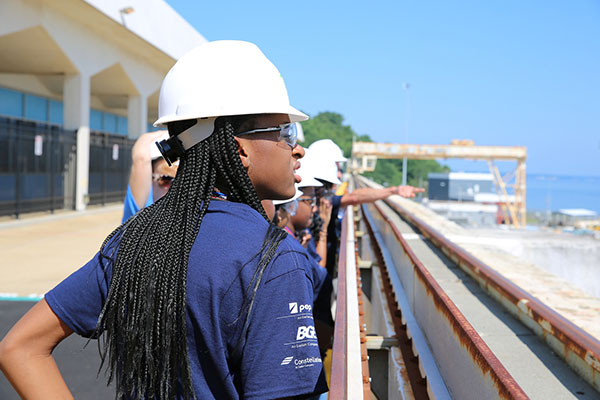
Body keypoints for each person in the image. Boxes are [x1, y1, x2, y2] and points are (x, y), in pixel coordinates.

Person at [0, 40, 327, 399]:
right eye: (284, 132)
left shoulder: (136, 239)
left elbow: (20, 348)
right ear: (239, 149)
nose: (298, 149)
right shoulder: (275, 259)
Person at [122, 130, 178, 222]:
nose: (174, 188)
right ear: (150, 179)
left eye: (178, 181)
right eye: (166, 180)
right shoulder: (141, 209)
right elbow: (141, 159)